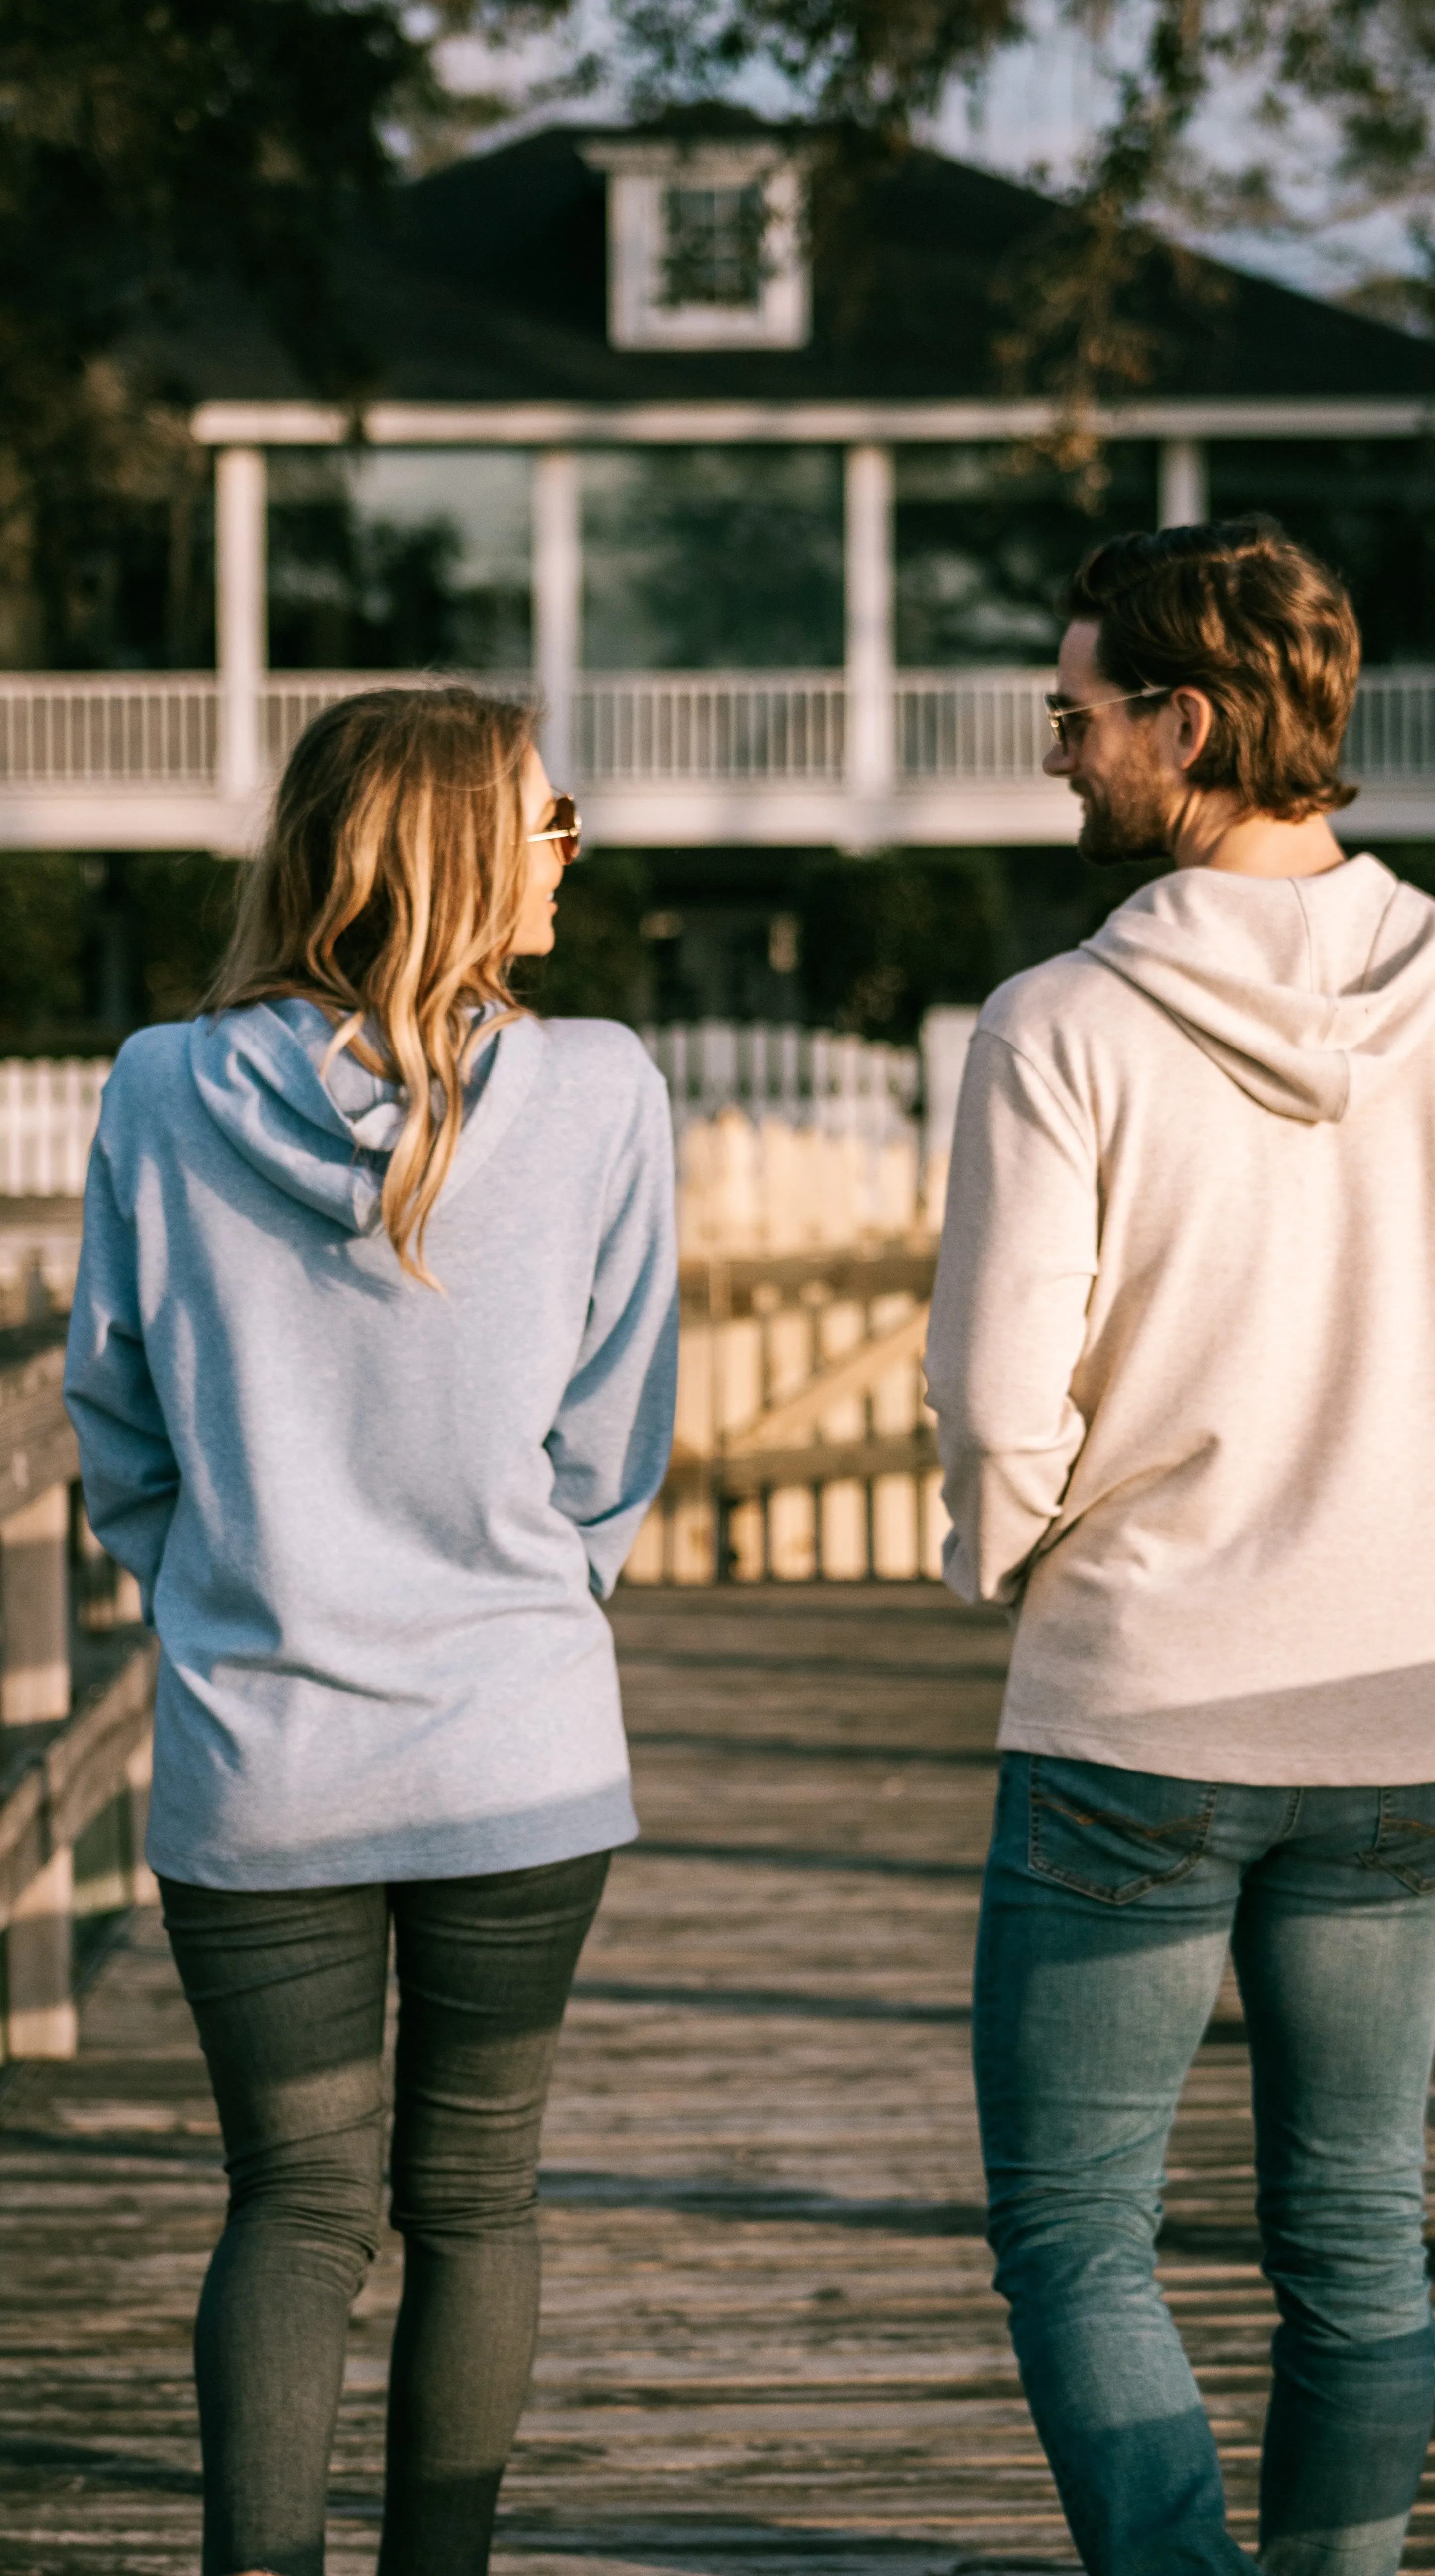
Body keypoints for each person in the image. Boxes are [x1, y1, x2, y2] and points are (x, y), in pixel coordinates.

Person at [923, 518, 1435, 2576]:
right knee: (1355, 2235)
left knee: (1076, 2234)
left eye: (1074, 716)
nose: (1057, 754)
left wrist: (1012, 1561)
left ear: (1184, 722)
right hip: (1388, 1729)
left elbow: (1000, 1416)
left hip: (1134, 1717)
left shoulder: (1059, 1026)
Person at [65, 685, 678, 2576]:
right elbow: (614, 1439)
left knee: (293, 2209)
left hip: (263, 1763)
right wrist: (523, 1611)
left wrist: (233, 1595)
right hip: (519, 1754)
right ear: (467, 854)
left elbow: (117, 1419)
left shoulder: (164, 1088)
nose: (574, 846)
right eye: (549, 817)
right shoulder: (600, 1093)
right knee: (475, 2201)